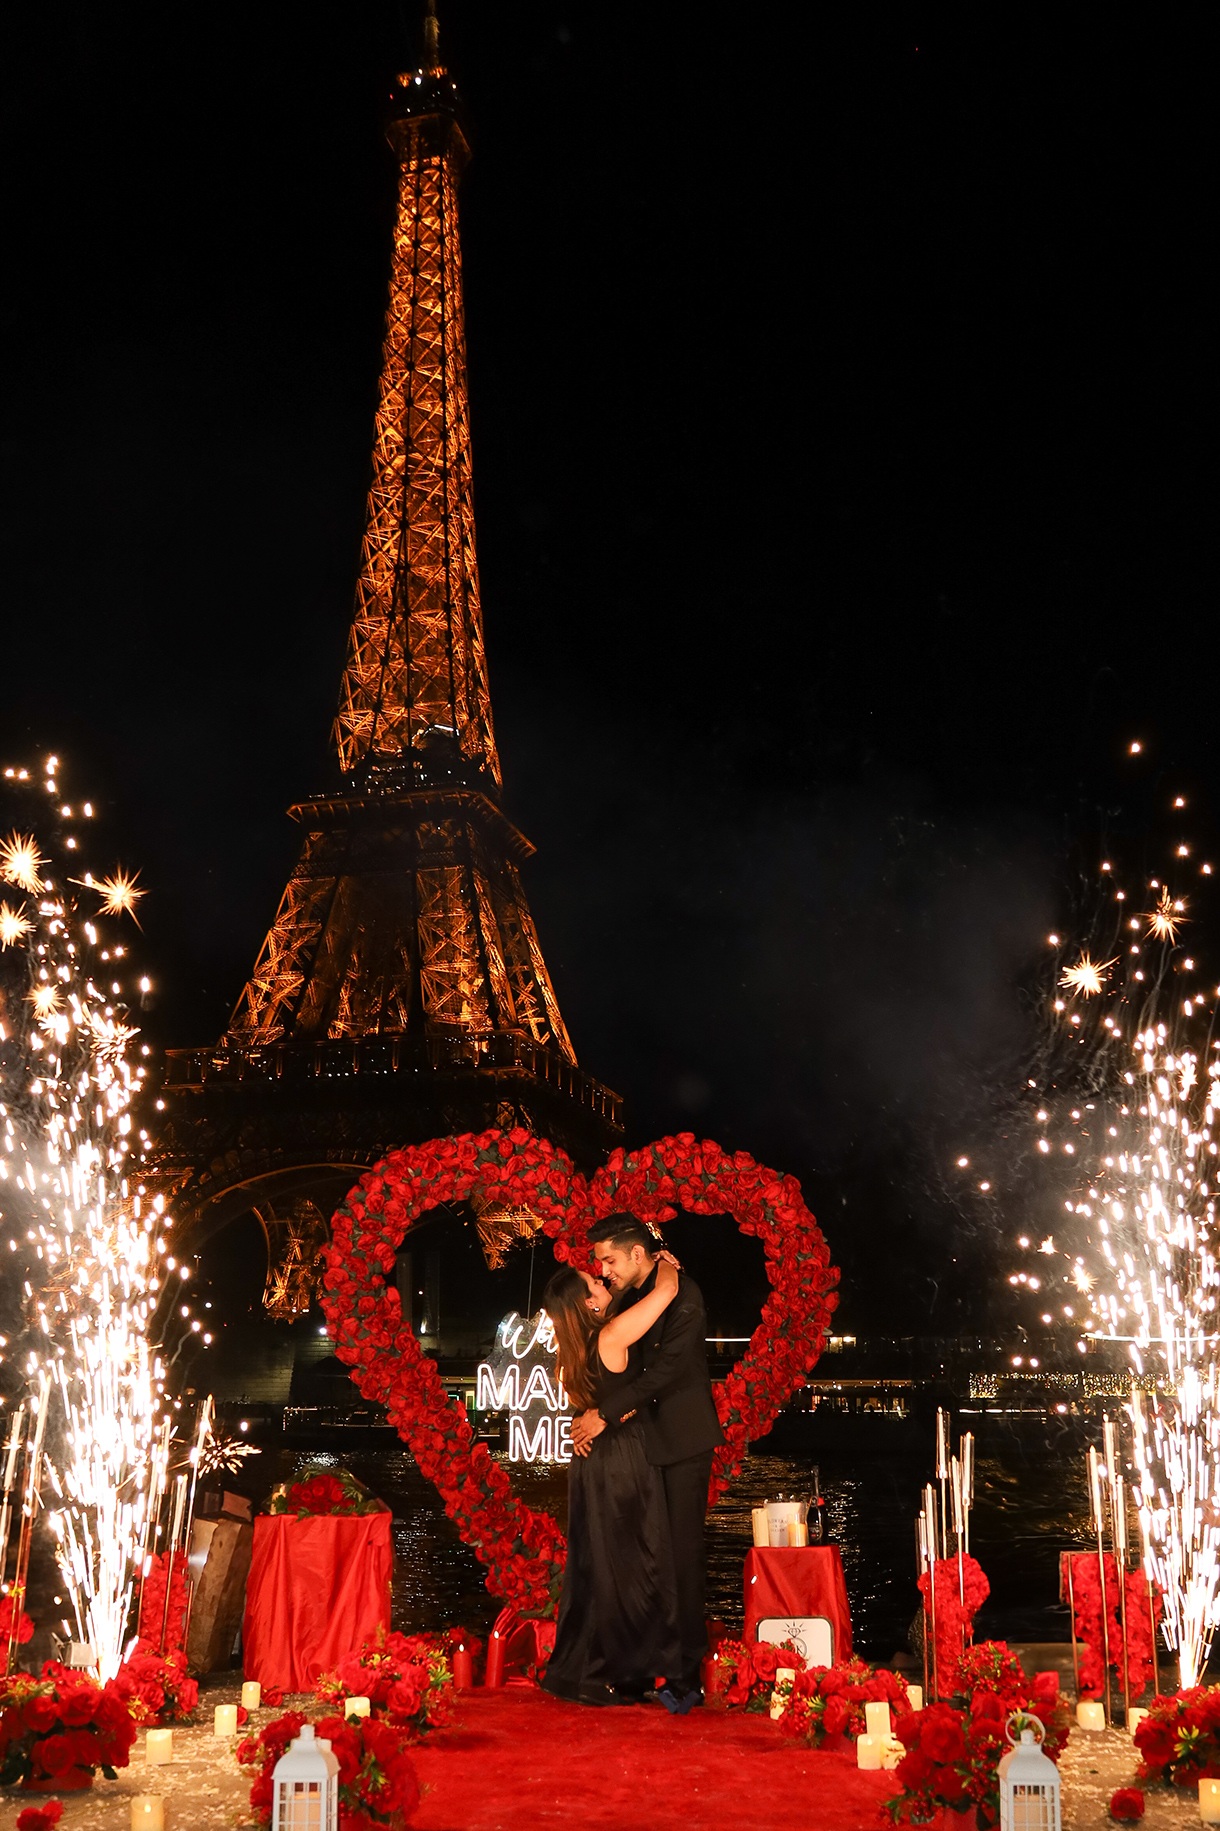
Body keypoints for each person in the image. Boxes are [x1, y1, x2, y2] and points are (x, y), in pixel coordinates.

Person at [571, 1215, 725, 1714]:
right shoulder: (642, 1293)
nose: (603, 1269)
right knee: (639, 1560)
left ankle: (684, 1676)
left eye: (609, 1259)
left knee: (680, 1558)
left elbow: (665, 1372)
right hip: (637, 1447)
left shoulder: (686, 1295)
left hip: (680, 1444)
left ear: (637, 1254)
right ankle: (635, 1668)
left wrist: (604, 1415)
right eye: (600, 1263)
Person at [539, 1257, 682, 1707]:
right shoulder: (611, 1335)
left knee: (595, 1563)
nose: (601, 1280)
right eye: (593, 1282)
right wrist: (663, 1263)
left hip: (590, 1463)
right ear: (586, 1302)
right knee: (635, 1561)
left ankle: (587, 1670)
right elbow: (666, 1295)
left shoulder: (570, 1350)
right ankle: (616, 1672)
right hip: (624, 1459)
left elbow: (594, 1400)